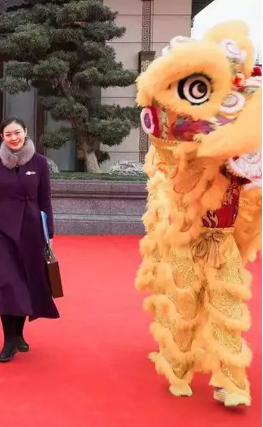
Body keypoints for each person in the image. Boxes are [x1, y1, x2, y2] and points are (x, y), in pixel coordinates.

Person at [134, 22, 261, 407]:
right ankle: (178, 368)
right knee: (184, 308)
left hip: (222, 243)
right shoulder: (184, 154)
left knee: (228, 308)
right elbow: (168, 159)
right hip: (184, 240)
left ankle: (232, 384)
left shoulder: (243, 162)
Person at [0, 117, 59, 363]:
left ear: (25, 132)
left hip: (31, 231)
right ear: (2, 137)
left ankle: (19, 334)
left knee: (24, 283)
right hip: (1, 232)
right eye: (8, 134)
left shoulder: (39, 162)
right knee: (6, 283)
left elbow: (45, 200)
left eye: (17, 132)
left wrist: (49, 235)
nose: (13, 138)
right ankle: (9, 340)